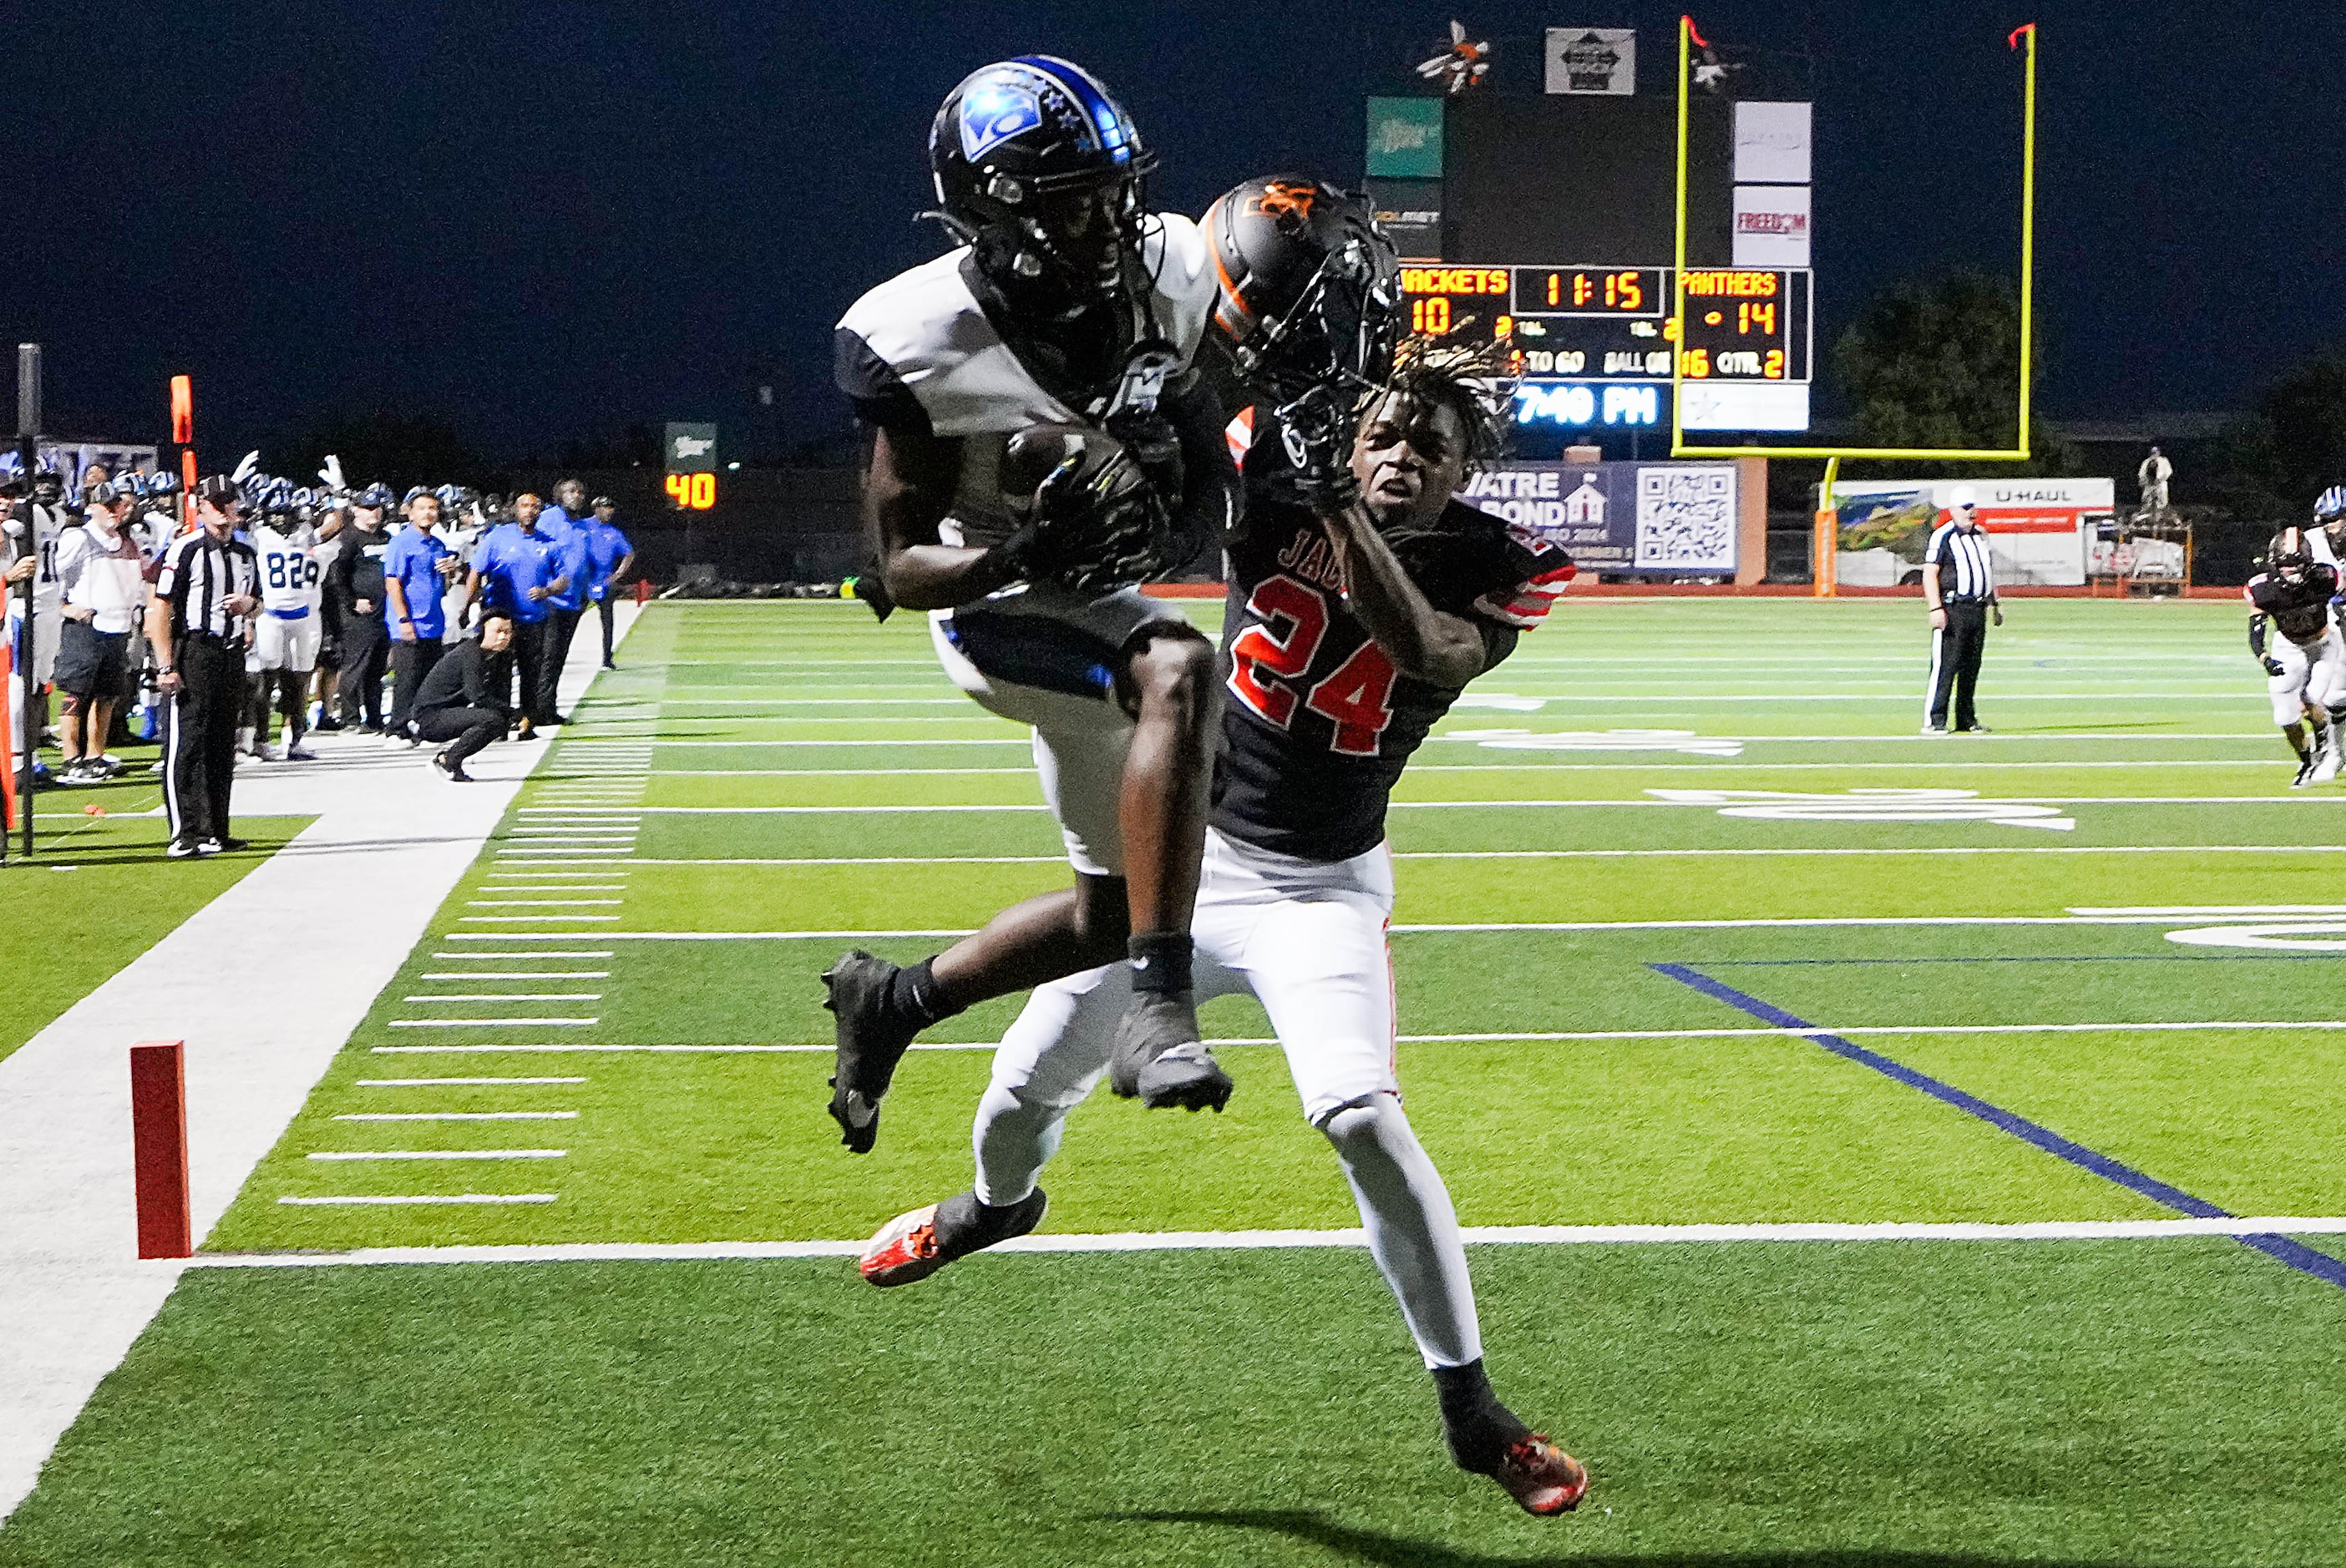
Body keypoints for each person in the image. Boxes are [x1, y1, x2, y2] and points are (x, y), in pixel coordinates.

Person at [859, 340, 1589, 1518]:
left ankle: (1472, 1408)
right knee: (1017, 1092)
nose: (1402, 455)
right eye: (1384, 434)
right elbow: (1182, 446)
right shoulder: (1285, 473)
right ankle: (989, 1211)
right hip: (1184, 862)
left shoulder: (1492, 563)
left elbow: (1429, 652)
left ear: (1465, 471)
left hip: (1321, 892)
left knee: (1361, 1115)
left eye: (1430, 447)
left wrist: (1338, 502)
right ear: (1354, 433)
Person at [819, 54, 1239, 1154]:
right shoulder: (920, 333)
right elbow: (903, 568)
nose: (1110, 218)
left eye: (1114, 187)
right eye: (1072, 199)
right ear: (992, 212)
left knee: (1113, 906)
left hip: (1092, 597)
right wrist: (1024, 548)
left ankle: (894, 1001)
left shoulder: (1169, 271)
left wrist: (1162, 516)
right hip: (989, 610)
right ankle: (1159, 1007)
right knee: (1181, 667)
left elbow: (1205, 477)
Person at [148, 476, 261, 858]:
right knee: (186, 743)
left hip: (229, 654)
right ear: (200, 506)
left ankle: (216, 828)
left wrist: (249, 609)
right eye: (213, 502)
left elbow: (258, 603)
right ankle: (184, 832)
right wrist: (165, 663)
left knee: (220, 744)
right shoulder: (187, 549)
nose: (221, 509)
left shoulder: (246, 553)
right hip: (193, 650)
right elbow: (161, 607)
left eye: (227, 502)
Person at [50, 481, 149, 782]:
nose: (115, 512)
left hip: (118, 625)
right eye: (108, 506)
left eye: (118, 505)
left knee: (106, 696)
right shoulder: (78, 538)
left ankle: (95, 753)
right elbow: (51, 575)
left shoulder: (127, 540)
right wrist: (65, 607)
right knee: (77, 694)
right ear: (92, 507)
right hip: (87, 625)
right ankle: (71, 758)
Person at [464, 492, 567, 740]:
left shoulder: (549, 543)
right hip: (500, 618)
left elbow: (563, 578)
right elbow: (476, 572)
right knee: (497, 675)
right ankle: (496, 725)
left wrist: (548, 590)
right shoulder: (498, 536)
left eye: (534, 506)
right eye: (524, 506)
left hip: (533, 619)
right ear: (515, 510)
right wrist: (467, 606)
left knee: (530, 674)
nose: (529, 510)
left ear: (540, 512)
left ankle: (527, 723)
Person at [2247, 527, 2346, 787]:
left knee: (2312, 699)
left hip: (2323, 644)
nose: (2292, 573)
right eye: (2286, 567)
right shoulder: (2264, 589)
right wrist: (2265, 658)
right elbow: (2256, 631)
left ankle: (2324, 738)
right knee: (2285, 716)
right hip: (2288, 646)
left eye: (2297, 566)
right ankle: (2306, 760)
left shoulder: (2325, 577)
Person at [241, 492, 324, 762]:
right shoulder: (257, 535)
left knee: (299, 680)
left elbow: (338, 521)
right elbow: (238, 521)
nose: (282, 519)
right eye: (276, 513)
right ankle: (261, 739)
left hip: (304, 615)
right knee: (264, 680)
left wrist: (339, 493)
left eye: (287, 513)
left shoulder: (306, 533)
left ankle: (294, 740)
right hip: (270, 614)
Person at [1921, 484, 2001, 736]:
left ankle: (1966, 718)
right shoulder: (1943, 536)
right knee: (1946, 665)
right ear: (1953, 509)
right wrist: (1935, 607)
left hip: (1977, 608)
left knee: (1971, 666)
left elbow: (1986, 571)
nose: (1971, 512)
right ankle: (1935, 719)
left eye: (1973, 507)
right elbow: (1930, 572)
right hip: (1953, 608)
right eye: (1966, 507)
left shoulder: (1980, 535)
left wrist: (1995, 604)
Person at [382, 488, 459, 743]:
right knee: (407, 678)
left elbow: (440, 582)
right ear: (411, 513)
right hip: (410, 622)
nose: (428, 513)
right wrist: (404, 619)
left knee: (430, 680)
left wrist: (451, 569)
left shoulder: (437, 544)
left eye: (433, 508)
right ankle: (397, 728)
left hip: (433, 621)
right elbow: (393, 582)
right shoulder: (401, 543)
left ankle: (423, 725)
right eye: (423, 508)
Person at [410, 611, 516, 781]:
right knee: (492, 719)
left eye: (508, 632)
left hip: (449, 711)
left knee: (497, 720)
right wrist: (514, 713)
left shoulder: (496, 655)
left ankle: (452, 760)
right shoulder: (470, 654)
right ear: (482, 631)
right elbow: (476, 695)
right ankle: (448, 760)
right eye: (498, 631)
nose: (504, 637)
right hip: (429, 717)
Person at [329, 485, 395, 731]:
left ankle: (375, 717)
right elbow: (338, 574)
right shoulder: (348, 538)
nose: (373, 513)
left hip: (383, 613)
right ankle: (350, 718)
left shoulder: (386, 537)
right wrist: (351, 601)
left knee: (377, 669)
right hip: (359, 614)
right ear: (356, 510)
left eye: (376, 508)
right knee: (355, 666)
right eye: (367, 508)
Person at [532, 478, 595, 724]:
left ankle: (548, 707)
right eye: (570, 491)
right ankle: (539, 711)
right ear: (559, 496)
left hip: (573, 601)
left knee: (559, 657)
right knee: (547, 657)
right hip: (552, 600)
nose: (577, 495)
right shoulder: (549, 519)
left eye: (580, 491)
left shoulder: (582, 525)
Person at [584, 496, 636, 669]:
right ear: (596, 508)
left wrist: (617, 575)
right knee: (569, 621)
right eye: (605, 508)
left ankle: (607, 657)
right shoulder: (582, 526)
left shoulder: (614, 533)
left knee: (608, 622)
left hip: (604, 583)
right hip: (583, 583)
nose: (609, 512)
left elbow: (629, 553)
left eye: (610, 509)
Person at [2137, 445, 2173, 522]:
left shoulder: (2164, 461)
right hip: (2149, 485)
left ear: (2159, 452)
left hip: (2160, 485)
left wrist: (2160, 479)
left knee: (2162, 501)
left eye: (2156, 452)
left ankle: (2162, 516)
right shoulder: (2146, 462)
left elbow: (2168, 472)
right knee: (2147, 501)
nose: (2154, 454)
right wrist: (2146, 481)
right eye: (2153, 452)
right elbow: (2141, 474)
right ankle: (2145, 517)